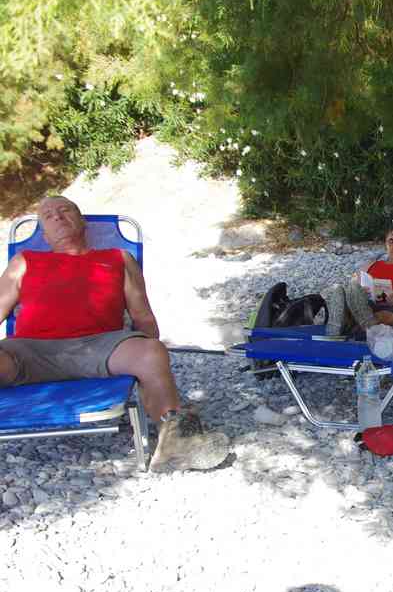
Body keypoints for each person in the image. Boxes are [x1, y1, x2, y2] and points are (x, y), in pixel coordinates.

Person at [0, 196, 230, 472]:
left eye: (65, 210)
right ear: (44, 236)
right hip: (30, 351)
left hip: (101, 347)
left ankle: (175, 440)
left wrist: (152, 367)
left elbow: (142, 316)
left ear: (82, 221)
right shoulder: (24, 261)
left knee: (150, 352)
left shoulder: (118, 258)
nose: (58, 216)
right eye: (48, 216)